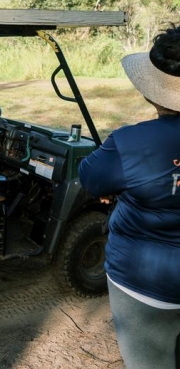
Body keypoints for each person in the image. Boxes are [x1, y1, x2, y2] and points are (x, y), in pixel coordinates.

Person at [79, 25, 180, 369]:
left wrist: (121, 189)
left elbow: (90, 179)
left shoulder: (128, 143)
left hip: (144, 282)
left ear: (152, 91)